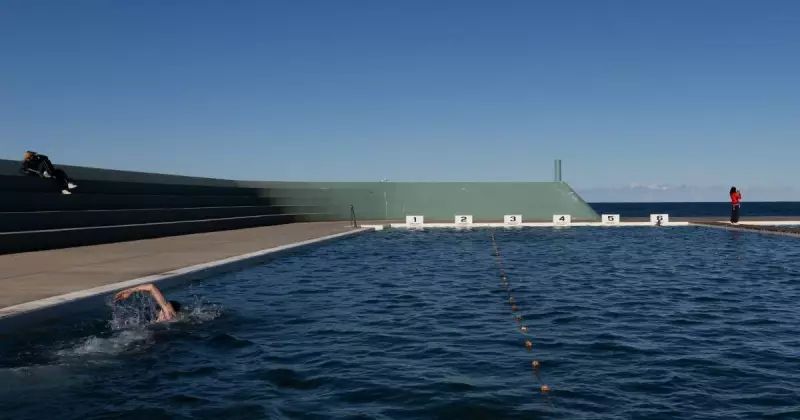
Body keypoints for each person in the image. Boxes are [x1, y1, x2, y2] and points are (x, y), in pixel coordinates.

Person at [113, 283, 182, 323]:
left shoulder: (168, 316)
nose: (165, 313)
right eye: (163, 311)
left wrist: (131, 290)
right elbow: (151, 287)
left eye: (168, 311)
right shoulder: (159, 320)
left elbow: (151, 287)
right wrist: (130, 291)